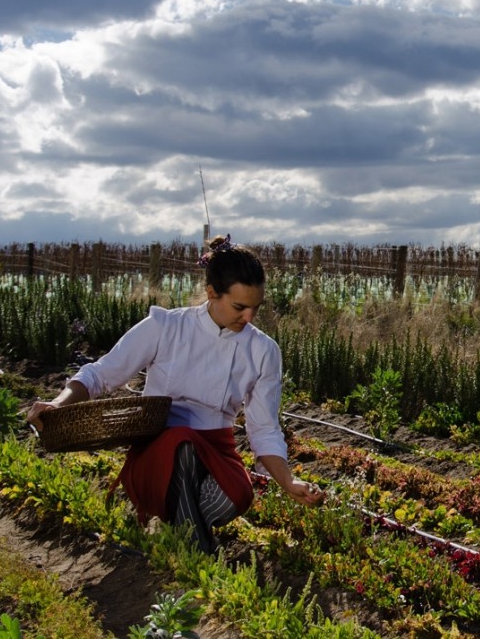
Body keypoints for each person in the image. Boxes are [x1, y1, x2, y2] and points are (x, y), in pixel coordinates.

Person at [26, 233, 324, 553]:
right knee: (181, 440)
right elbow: (101, 373)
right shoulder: (166, 327)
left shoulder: (264, 350)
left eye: (256, 307)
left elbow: (264, 427)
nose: (249, 317)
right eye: (239, 307)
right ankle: (196, 552)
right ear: (211, 293)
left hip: (215, 450)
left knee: (237, 498)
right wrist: (59, 402)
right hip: (157, 450)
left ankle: (177, 535)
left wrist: (287, 481)